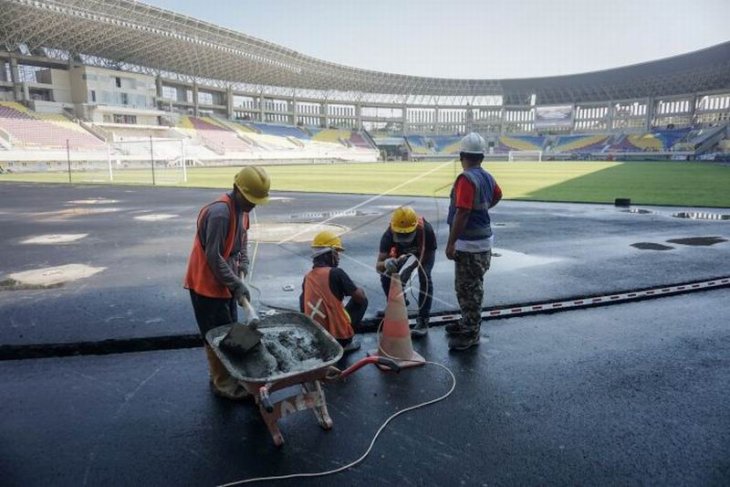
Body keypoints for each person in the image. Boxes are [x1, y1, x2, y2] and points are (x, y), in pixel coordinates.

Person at [184, 166, 270, 400]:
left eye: (256, 201)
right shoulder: (220, 213)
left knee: (231, 327)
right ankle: (222, 384)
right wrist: (236, 283)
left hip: (226, 282)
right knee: (215, 334)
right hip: (206, 284)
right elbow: (213, 257)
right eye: (250, 199)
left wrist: (243, 266)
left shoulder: (243, 211)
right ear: (236, 189)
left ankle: (232, 373)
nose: (253, 206)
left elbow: (242, 242)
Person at [445, 133, 502, 351]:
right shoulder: (487, 177)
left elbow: (462, 213)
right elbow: (498, 195)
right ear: (481, 157)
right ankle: (467, 323)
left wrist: (451, 243)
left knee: (469, 290)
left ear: (462, 156)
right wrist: (484, 209)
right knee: (470, 287)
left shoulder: (466, 179)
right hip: (483, 241)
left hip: (469, 245)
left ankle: (471, 333)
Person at [300, 230, 368, 353]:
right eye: (336, 253)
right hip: (338, 339)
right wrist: (358, 289)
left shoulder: (308, 277)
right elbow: (360, 298)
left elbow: (302, 306)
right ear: (328, 254)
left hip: (316, 338)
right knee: (363, 299)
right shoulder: (336, 273)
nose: (338, 257)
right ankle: (346, 341)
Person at [375, 206, 437, 338]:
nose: (404, 237)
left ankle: (423, 321)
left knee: (424, 275)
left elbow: (427, 254)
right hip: (401, 253)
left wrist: (410, 268)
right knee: (386, 274)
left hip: (422, 250)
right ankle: (395, 306)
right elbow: (378, 266)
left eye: (407, 234)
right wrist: (386, 264)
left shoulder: (426, 230)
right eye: (400, 235)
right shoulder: (388, 235)